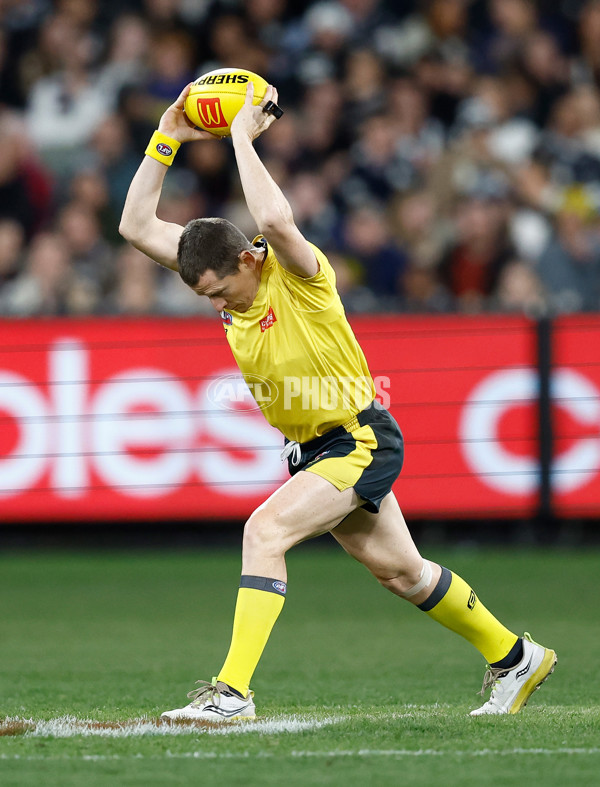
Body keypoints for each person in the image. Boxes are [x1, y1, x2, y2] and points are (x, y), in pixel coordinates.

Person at [119, 81, 557, 720]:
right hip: (314, 449)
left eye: (219, 290)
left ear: (247, 260)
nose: (215, 304)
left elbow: (272, 220)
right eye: (205, 296)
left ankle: (231, 693)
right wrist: (168, 135)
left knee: (262, 531)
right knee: (404, 574)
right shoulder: (221, 274)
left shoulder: (297, 273)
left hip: (358, 438)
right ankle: (515, 656)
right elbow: (134, 226)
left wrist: (241, 133)